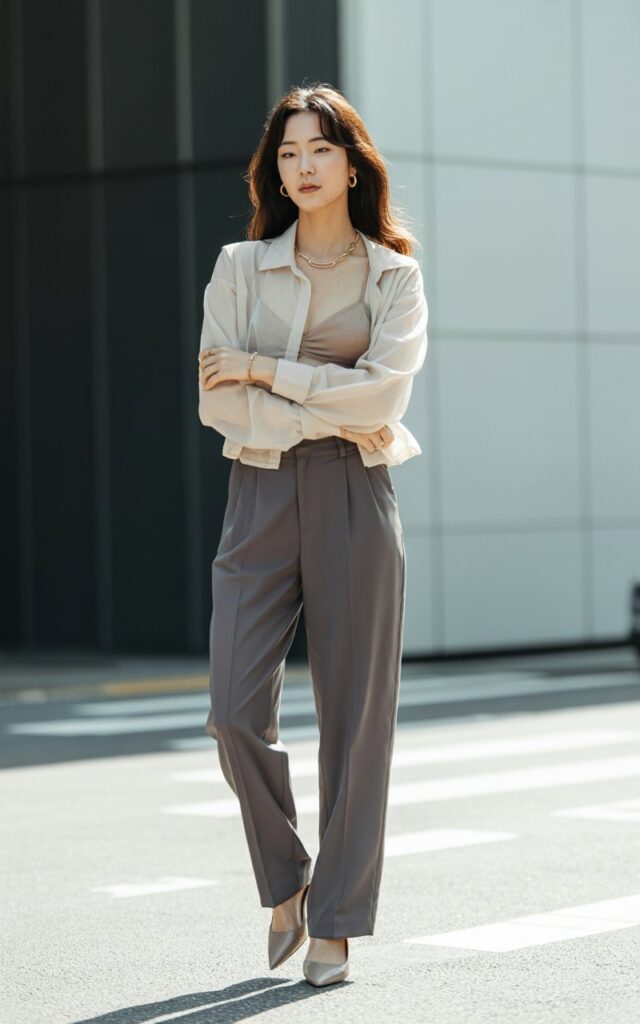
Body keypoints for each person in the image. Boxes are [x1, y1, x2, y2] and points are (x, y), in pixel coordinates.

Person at [197, 82, 428, 987]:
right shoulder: (238, 267)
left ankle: (334, 922)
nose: (303, 166)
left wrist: (266, 372)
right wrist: (324, 404)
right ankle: (286, 876)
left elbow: (385, 398)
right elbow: (218, 404)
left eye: (319, 150)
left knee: (356, 723)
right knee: (230, 709)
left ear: (351, 161)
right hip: (256, 496)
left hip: (355, 500)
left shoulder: (393, 276)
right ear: (275, 166)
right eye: (288, 152)